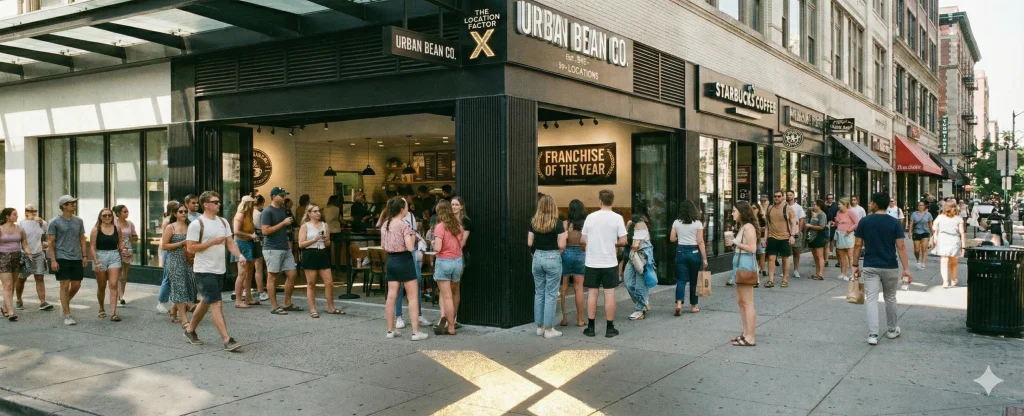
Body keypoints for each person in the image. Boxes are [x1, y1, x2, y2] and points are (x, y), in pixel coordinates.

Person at [184, 191, 244, 351]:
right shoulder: (197, 224)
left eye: (218, 202)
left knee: (206, 300)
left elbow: (230, 242)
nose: (219, 204)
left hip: (219, 269)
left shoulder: (223, 222)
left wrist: (240, 256)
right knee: (216, 303)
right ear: (206, 204)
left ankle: (190, 330)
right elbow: (190, 248)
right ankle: (227, 339)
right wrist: (210, 243)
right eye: (215, 202)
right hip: (203, 269)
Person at [852, 193, 912, 346]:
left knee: (871, 299)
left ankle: (873, 334)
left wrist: (854, 265)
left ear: (876, 204)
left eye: (871, 202)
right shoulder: (895, 223)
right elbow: (901, 246)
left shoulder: (865, 221)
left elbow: (858, 244)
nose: (870, 204)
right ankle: (892, 330)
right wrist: (906, 268)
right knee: (890, 298)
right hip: (889, 265)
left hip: (870, 265)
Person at [380, 197, 429, 341]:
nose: (408, 207)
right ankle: (415, 332)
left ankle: (390, 330)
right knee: (412, 296)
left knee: (391, 295)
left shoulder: (385, 224)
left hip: (391, 260)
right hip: (405, 260)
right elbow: (409, 247)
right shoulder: (404, 226)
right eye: (406, 205)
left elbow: (383, 245)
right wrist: (413, 236)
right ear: (402, 209)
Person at [581, 189, 627, 338]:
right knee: (609, 294)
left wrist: (594, 242)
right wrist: (612, 243)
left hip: (592, 262)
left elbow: (582, 239)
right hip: (609, 262)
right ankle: (609, 328)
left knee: (592, 294)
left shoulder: (590, 217)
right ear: (612, 201)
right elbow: (623, 241)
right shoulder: (618, 218)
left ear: (600, 200)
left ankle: (591, 328)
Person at [529, 195, 566, 339]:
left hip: (537, 257)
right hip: (552, 257)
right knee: (551, 294)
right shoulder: (557, 223)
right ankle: (549, 330)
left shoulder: (533, 222)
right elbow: (562, 244)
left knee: (539, 292)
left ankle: (540, 327)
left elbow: (529, 243)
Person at [48, 195, 88, 326]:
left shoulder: (78, 221)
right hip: (61, 256)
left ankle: (64, 303)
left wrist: (84, 256)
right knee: (64, 285)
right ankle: (67, 314)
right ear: (64, 206)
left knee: (76, 285)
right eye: (71, 203)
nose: (74, 205)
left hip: (76, 256)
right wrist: (53, 260)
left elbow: (82, 239)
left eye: (74, 203)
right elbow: (51, 242)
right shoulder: (54, 222)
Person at [261, 188, 301, 315]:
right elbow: (265, 231)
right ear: (273, 196)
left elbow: (283, 228)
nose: (284, 198)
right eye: (281, 195)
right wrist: (283, 224)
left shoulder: (284, 210)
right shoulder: (267, 211)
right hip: (272, 248)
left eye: (285, 195)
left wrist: (287, 230)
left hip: (284, 246)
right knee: (272, 276)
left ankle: (287, 303)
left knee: (292, 274)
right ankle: (274, 306)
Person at [298, 204, 343, 317]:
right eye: (315, 211)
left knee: (329, 283)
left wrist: (325, 239)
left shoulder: (324, 225)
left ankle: (331, 307)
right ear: (309, 214)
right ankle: (313, 309)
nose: (318, 213)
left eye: (319, 211)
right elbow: (301, 244)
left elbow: (328, 243)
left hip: (322, 252)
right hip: (310, 253)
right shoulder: (305, 226)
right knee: (311, 283)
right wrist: (314, 239)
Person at [161, 201, 197, 326]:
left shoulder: (191, 226)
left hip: (188, 260)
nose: (184, 213)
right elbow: (164, 246)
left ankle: (173, 309)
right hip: (174, 260)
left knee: (188, 286)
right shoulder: (171, 227)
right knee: (179, 287)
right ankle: (184, 319)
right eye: (181, 211)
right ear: (175, 214)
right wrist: (181, 243)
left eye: (185, 211)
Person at [728, 201, 759, 347]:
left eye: (734, 210)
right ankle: (746, 333)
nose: (732, 213)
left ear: (741, 212)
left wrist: (735, 242)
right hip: (740, 261)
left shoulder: (748, 227)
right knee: (741, 301)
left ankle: (750, 337)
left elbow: (752, 248)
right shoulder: (743, 227)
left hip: (745, 263)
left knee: (747, 302)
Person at [431, 200, 464, 335]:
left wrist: (433, 243)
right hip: (457, 261)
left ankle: (450, 327)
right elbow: (460, 244)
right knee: (455, 292)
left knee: (447, 297)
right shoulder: (458, 225)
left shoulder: (440, 227)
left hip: (444, 261)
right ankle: (453, 323)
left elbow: (438, 248)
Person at [670, 200, 706, 314]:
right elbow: (700, 241)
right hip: (694, 251)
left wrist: (679, 238)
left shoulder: (676, 222)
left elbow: (671, 239)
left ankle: (679, 304)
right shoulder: (698, 223)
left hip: (680, 251)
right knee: (694, 281)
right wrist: (704, 257)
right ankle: (693, 306)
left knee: (681, 280)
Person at [90, 208, 124, 322]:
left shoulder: (117, 228)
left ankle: (113, 313)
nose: (107, 217)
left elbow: (120, 242)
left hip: (114, 255)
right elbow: (92, 246)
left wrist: (123, 250)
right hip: (100, 256)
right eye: (104, 215)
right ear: (100, 217)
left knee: (113, 284)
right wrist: (96, 262)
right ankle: (101, 308)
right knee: (101, 285)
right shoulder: (96, 230)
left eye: (109, 215)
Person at [16, 204, 51, 311]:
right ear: (25, 212)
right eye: (30, 211)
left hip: (38, 253)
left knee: (39, 277)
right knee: (22, 278)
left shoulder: (41, 223)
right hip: (25, 254)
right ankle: (18, 299)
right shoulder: (21, 224)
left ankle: (43, 302)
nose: (33, 212)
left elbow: (46, 233)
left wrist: (42, 224)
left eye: (35, 210)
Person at [559, 199, 586, 327]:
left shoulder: (565, 223)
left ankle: (564, 318)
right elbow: (586, 241)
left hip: (566, 253)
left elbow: (562, 241)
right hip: (581, 253)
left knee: (564, 287)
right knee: (579, 287)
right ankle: (580, 320)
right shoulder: (585, 224)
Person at [0, 208, 30, 321]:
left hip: (16, 257)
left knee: (11, 284)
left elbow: (24, 243)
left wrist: (29, 254)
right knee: (7, 285)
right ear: (7, 216)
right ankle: (11, 312)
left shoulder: (20, 229)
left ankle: (5, 307)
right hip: (3, 257)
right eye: (14, 214)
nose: (17, 216)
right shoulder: (1, 229)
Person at [623, 214, 655, 320]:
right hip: (633, 257)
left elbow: (635, 246)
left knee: (640, 285)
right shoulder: (634, 225)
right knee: (628, 282)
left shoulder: (640, 225)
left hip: (641, 259)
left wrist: (632, 242)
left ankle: (640, 310)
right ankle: (643, 301)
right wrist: (627, 228)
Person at [764, 191, 798, 288]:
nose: (776, 198)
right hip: (772, 236)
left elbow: (793, 223)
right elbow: (767, 225)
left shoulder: (788, 208)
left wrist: (792, 235)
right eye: (775, 196)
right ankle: (770, 280)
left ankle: (785, 280)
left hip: (784, 237)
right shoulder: (770, 208)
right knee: (771, 258)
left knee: (785, 259)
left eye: (779, 196)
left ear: (783, 197)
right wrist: (765, 238)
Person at [232, 196, 259, 308]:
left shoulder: (249, 215)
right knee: (242, 273)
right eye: (252, 204)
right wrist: (250, 235)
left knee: (249, 273)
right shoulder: (240, 215)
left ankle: (248, 298)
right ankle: (238, 301)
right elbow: (236, 231)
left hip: (249, 243)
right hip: (241, 244)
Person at [931, 202, 966, 288]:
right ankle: (953, 280)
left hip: (942, 239)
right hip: (954, 239)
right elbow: (962, 233)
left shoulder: (939, 217)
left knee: (944, 260)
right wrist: (963, 246)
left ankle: (945, 281)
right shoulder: (958, 219)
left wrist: (935, 237)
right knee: (954, 261)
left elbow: (934, 228)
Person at [450, 196, 471, 328]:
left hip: (458, 256)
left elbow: (462, 242)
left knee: (455, 287)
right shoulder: (448, 220)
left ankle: (453, 317)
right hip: (447, 256)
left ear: (462, 206)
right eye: (452, 204)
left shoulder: (466, 222)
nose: (454, 207)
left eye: (456, 204)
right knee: (447, 289)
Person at [112, 205, 138, 306]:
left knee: (124, 274)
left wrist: (134, 237)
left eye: (127, 211)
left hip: (127, 249)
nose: (127, 213)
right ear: (118, 214)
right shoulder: (113, 223)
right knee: (117, 273)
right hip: (115, 249)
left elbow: (135, 237)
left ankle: (121, 295)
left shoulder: (130, 224)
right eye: (124, 212)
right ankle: (117, 296)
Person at [155, 201, 177, 314]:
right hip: (169, 250)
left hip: (175, 251)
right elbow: (165, 240)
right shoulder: (168, 221)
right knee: (168, 277)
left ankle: (179, 303)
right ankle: (162, 302)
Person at [834, 198, 857, 281]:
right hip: (840, 234)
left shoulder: (850, 212)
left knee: (850, 255)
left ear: (844, 205)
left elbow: (857, 222)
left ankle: (853, 274)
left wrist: (850, 229)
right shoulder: (838, 212)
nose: (838, 206)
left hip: (848, 235)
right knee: (841, 255)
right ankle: (843, 273)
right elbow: (837, 223)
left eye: (839, 204)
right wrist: (836, 222)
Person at [785, 190, 806, 279]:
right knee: (785, 252)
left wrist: (799, 230)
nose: (789, 196)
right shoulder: (784, 206)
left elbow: (801, 219)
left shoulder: (798, 207)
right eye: (787, 195)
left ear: (793, 196)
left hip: (796, 232)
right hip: (785, 232)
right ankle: (785, 270)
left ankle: (796, 270)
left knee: (796, 251)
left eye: (790, 195)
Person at [806, 199, 828, 280]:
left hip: (819, 236)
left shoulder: (822, 214)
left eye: (815, 204)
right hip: (812, 236)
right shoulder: (814, 213)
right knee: (815, 256)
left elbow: (821, 226)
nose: (813, 206)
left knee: (819, 255)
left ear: (819, 206)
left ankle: (821, 274)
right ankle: (817, 273)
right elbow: (809, 209)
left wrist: (810, 226)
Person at [252, 195, 268, 301]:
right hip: (259, 240)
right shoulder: (260, 214)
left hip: (250, 241)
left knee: (248, 268)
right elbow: (263, 228)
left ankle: (246, 289)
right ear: (261, 203)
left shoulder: (249, 213)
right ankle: (261, 291)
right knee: (259, 267)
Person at [909, 202, 933, 270]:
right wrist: (910, 232)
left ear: (924, 206)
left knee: (924, 248)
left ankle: (923, 263)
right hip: (916, 232)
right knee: (916, 250)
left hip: (925, 232)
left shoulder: (928, 214)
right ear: (917, 206)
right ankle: (918, 260)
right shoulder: (914, 214)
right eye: (919, 205)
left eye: (922, 205)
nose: (921, 206)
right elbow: (911, 224)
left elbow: (930, 225)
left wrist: (933, 234)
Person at [323, 195, 342, 268]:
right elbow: (340, 219)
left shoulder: (325, 208)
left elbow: (324, 218)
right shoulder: (337, 209)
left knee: (328, 248)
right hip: (336, 230)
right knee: (337, 249)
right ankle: (337, 265)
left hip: (328, 230)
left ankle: (329, 264)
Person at [752, 203, 766, 284]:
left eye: (754, 208)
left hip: (760, 237)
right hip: (752, 238)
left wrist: (762, 229)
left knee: (761, 253)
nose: (753, 210)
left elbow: (766, 227)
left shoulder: (761, 218)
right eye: (752, 208)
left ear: (758, 209)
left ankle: (763, 269)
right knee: (754, 253)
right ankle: (756, 268)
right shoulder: (749, 218)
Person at [825, 193, 839, 266]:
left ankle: (831, 253)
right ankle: (827, 255)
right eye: (829, 198)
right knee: (827, 240)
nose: (830, 199)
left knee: (832, 239)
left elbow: (837, 215)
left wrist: (834, 222)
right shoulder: (825, 205)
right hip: (826, 224)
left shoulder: (835, 206)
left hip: (833, 224)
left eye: (831, 198)